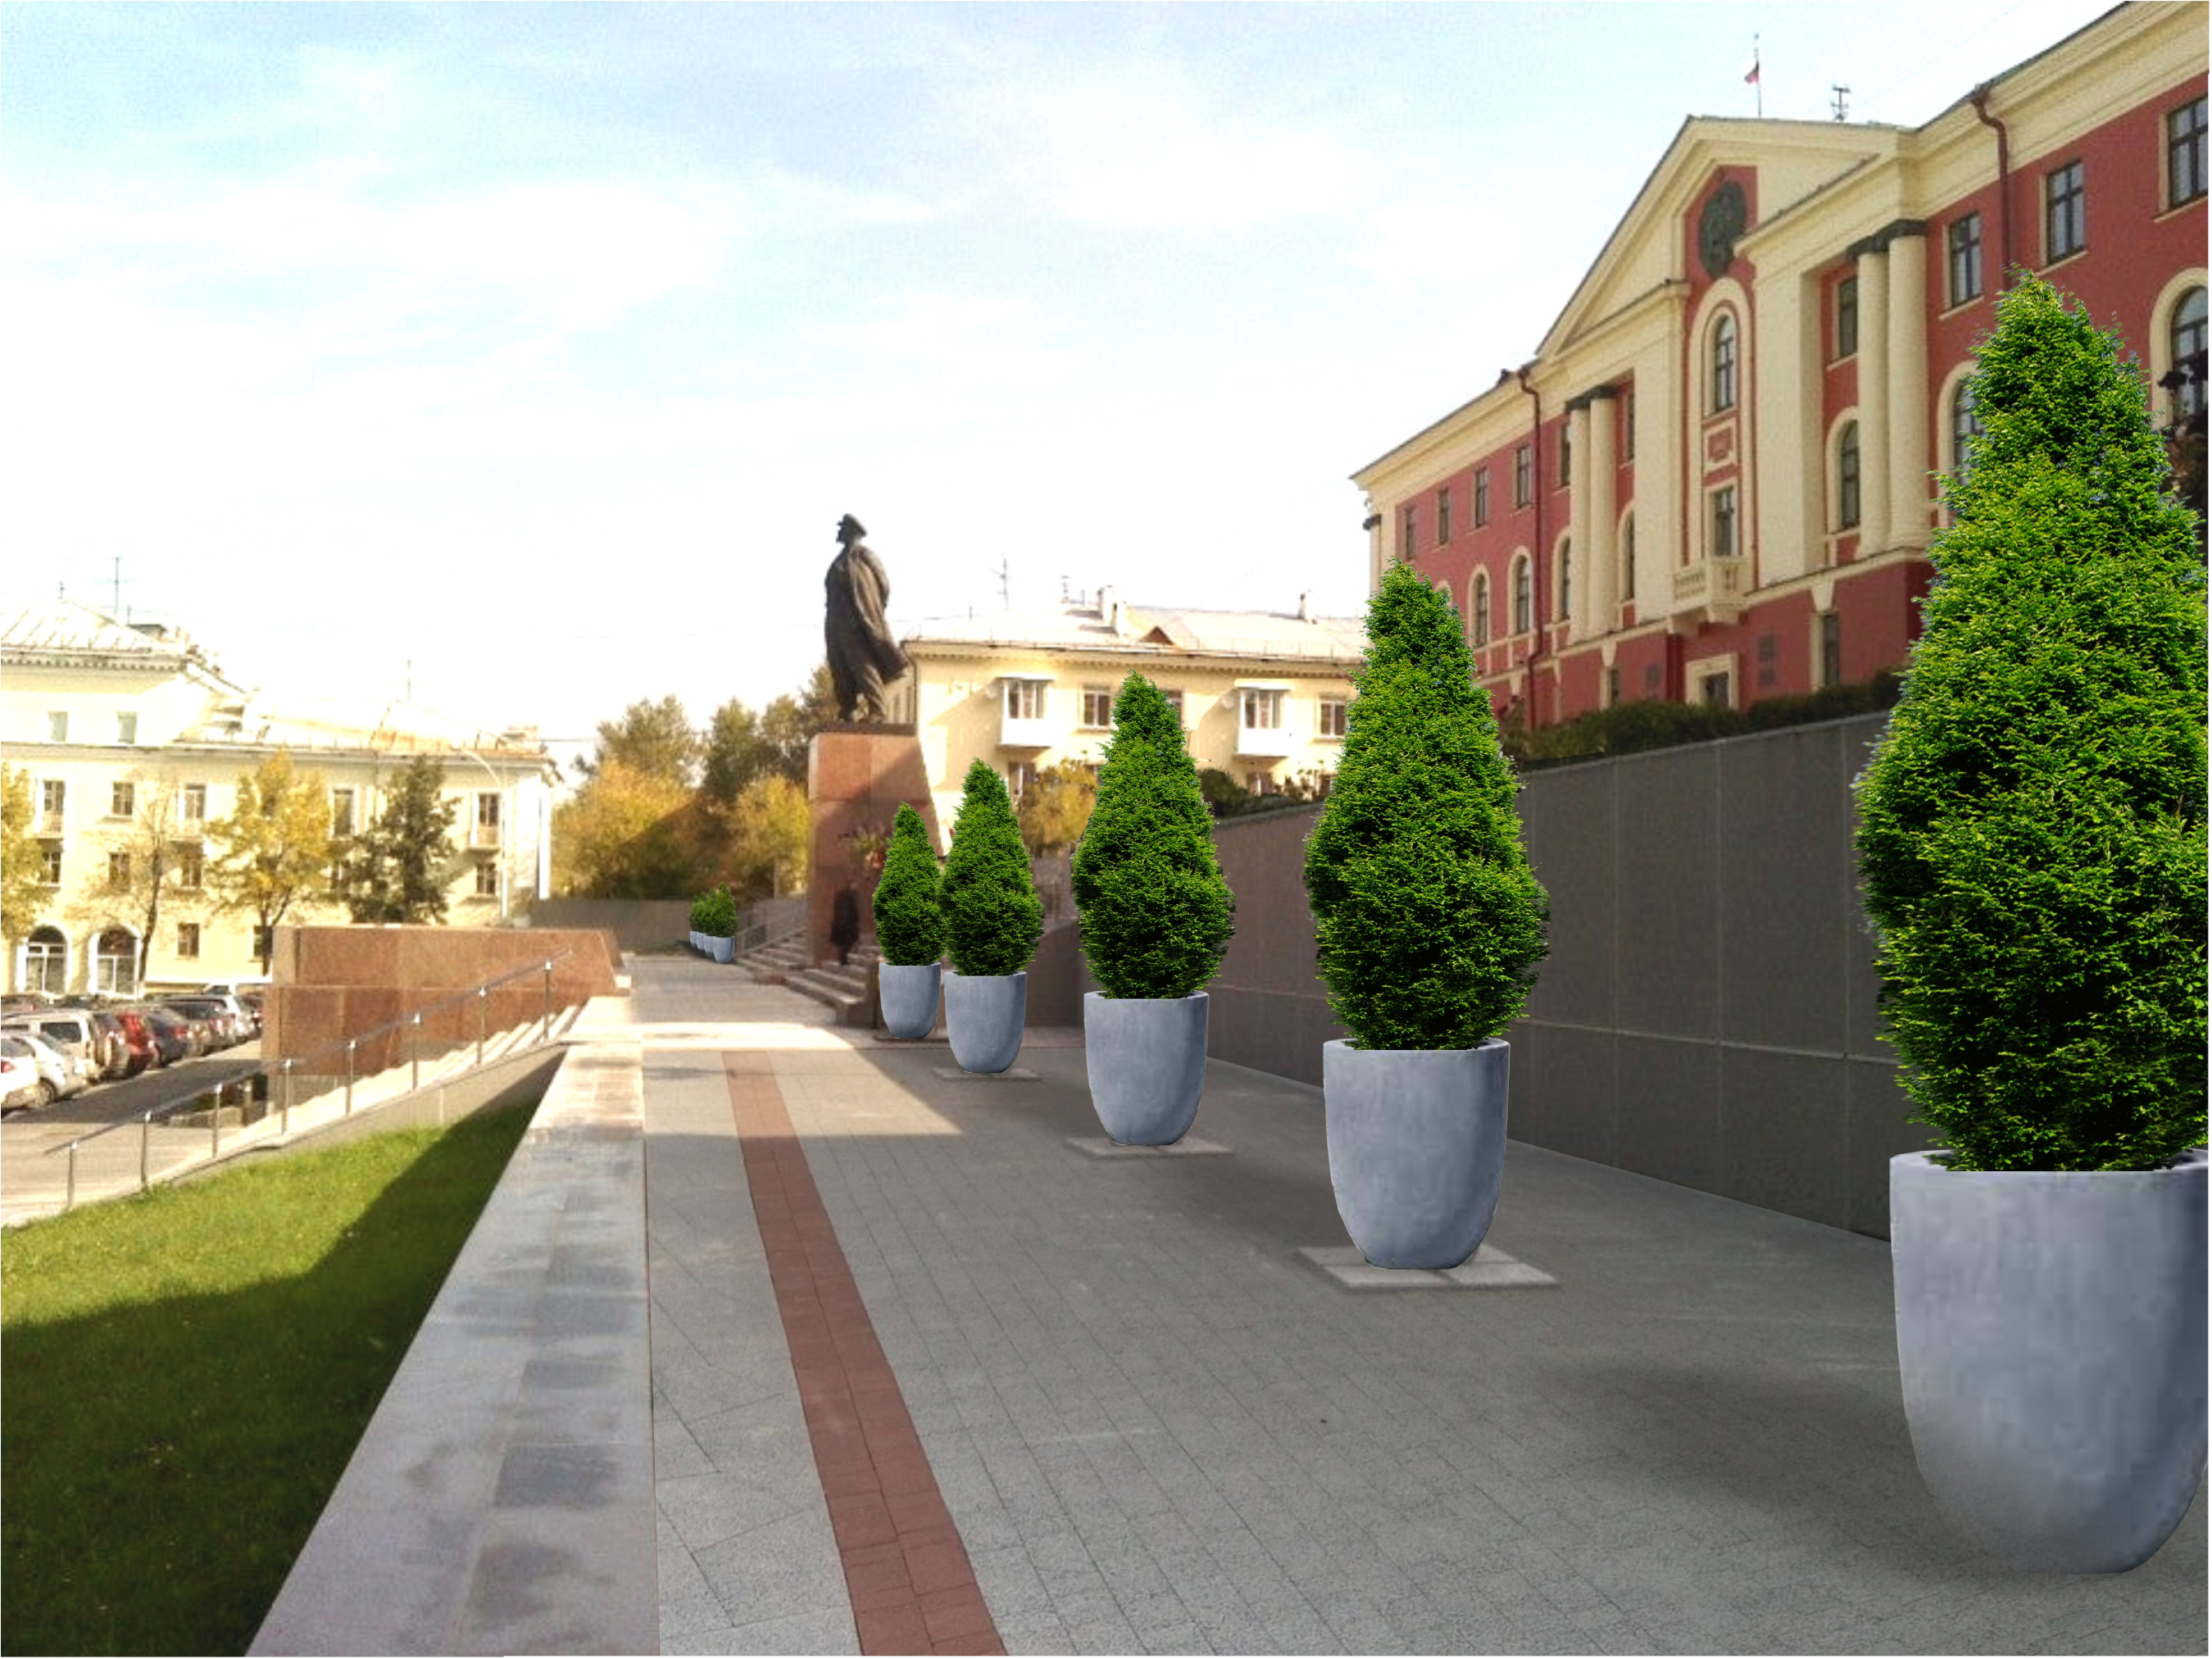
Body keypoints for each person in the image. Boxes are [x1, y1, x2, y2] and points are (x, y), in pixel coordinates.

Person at [824, 515, 908, 723]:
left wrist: (872, 610)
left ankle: (877, 709)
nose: (839, 531)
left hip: (857, 623)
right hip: (836, 622)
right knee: (840, 666)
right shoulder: (839, 559)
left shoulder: (865, 555)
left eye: (842, 528)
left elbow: (884, 585)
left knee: (862, 664)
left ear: (851, 531)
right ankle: (848, 709)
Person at [830, 883, 861, 967]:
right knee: (847, 941)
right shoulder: (849, 897)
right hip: (847, 924)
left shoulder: (841, 897)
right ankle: (843, 959)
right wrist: (855, 920)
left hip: (841, 924)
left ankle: (843, 958)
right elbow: (852, 911)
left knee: (844, 942)